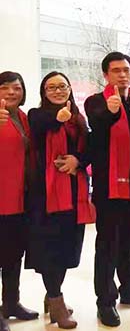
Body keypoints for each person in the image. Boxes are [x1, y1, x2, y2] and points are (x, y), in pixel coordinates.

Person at [84, 52, 130, 327]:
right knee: (107, 245)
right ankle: (105, 301)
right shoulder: (95, 102)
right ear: (106, 75)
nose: (122, 75)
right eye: (116, 71)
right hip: (109, 187)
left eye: (126, 70)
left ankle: (129, 290)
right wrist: (111, 112)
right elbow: (97, 125)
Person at [27, 71, 94, 329]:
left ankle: (51, 295)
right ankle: (56, 302)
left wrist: (78, 160)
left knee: (67, 249)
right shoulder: (37, 115)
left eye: (62, 86)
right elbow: (41, 126)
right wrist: (58, 118)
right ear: (44, 92)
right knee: (50, 251)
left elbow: (89, 149)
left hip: (74, 193)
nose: (57, 90)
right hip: (45, 197)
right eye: (51, 87)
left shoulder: (78, 119)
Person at [0, 72, 38, 331]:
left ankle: (11, 303)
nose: (12, 92)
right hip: (2, 197)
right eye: (5, 88)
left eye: (17, 88)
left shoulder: (24, 117)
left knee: (13, 254)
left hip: (21, 198)